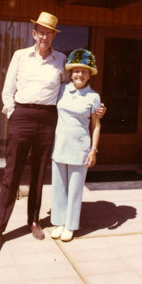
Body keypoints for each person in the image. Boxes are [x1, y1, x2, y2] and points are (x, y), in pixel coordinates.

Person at [0, 13, 105, 254]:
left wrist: (96, 106)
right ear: (34, 34)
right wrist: (13, 113)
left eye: (48, 32)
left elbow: (73, 86)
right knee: (11, 175)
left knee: (39, 175)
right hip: (22, 115)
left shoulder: (60, 59)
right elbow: (7, 90)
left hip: (47, 120)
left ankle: (34, 220)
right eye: (40, 32)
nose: (44, 36)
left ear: (53, 36)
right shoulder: (20, 56)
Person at [50, 49, 101, 242]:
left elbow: (96, 125)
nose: (79, 74)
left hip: (80, 147)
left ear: (89, 75)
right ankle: (59, 222)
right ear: (70, 73)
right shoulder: (61, 90)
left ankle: (70, 225)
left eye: (84, 71)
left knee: (75, 189)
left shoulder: (93, 97)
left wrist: (93, 150)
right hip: (59, 145)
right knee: (59, 187)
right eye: (76, 70)